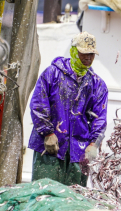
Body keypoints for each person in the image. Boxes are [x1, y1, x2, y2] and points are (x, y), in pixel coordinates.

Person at [28, 32, 108, 186]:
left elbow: (100, 117)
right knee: (44, 194)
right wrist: (47, 133)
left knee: (73, 201)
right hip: (50, 148)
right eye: (84, 53)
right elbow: (39, 103)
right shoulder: (52, 73)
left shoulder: (97, 84)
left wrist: (94, 144)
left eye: (91, 54)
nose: (88, 58)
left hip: (78, 153)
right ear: (73, 51)